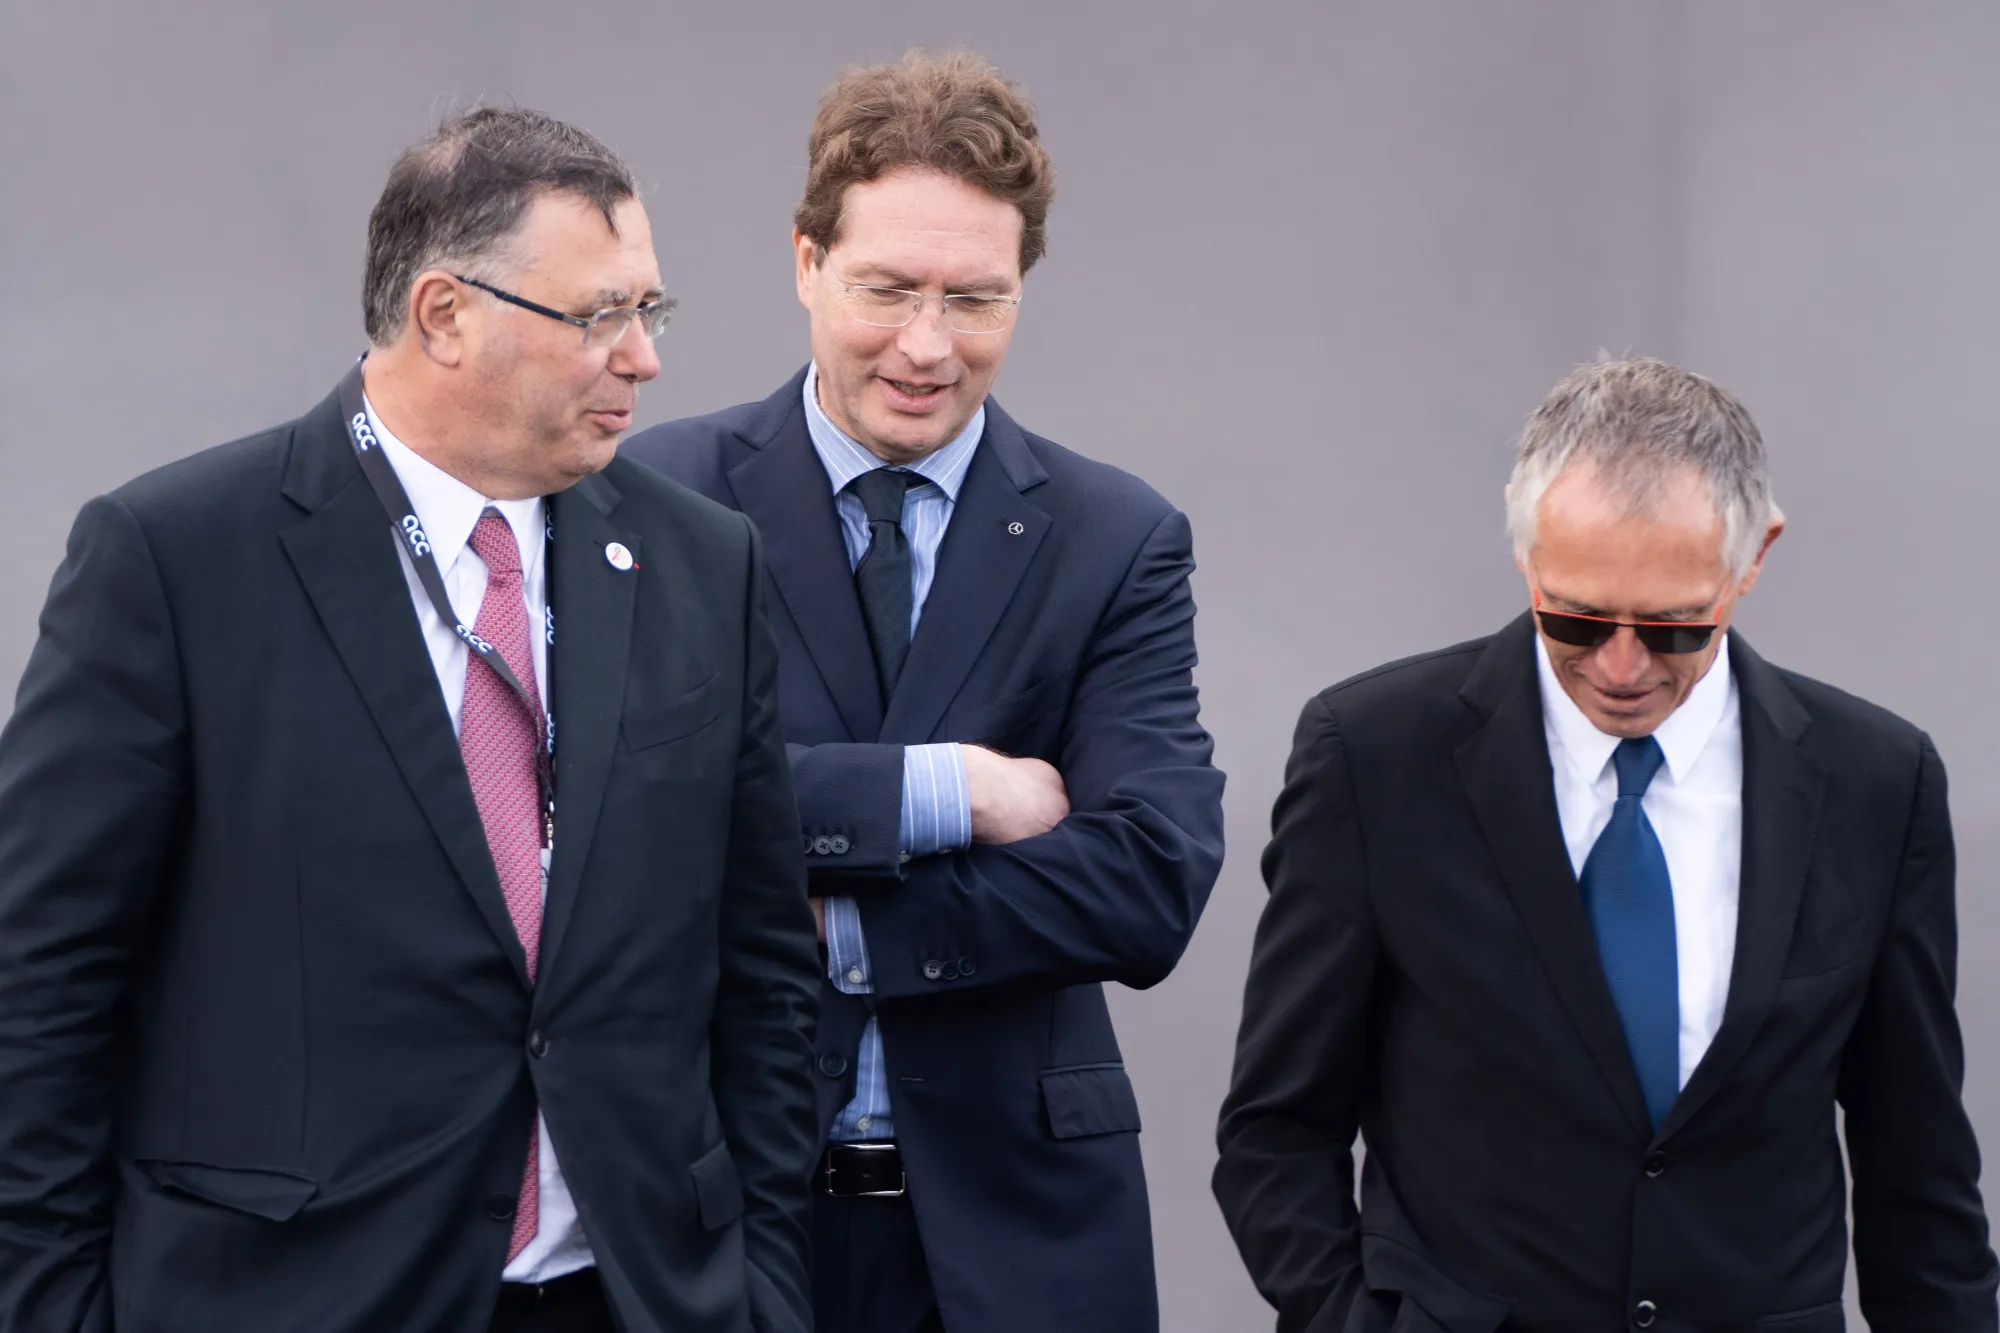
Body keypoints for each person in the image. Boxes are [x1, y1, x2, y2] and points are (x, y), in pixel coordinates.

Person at [0, 108, 821, 1333]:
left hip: (639, 1297)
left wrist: (764, 1293)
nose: (643, 358)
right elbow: (39, 989)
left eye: (652, 311)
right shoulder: (175, 562)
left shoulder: (704, 565)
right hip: (292, 1298)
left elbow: (762, 975)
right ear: (445, 314)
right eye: (600, 315)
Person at [624, 49, 1226, 1333]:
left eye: (975, 299)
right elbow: (616, 808)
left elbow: (1150, 879)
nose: (925, 345)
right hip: (720, 1225)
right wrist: (949, 788)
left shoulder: (1115, 536)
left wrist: (835, 923)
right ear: (803, 263)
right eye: (886, 288)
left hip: (1023, 1247)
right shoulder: (653, 500)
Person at [1215, 357, 1999, 1332]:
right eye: (1574, 616)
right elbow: (1274, 1131)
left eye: (1672, 626)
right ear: (1522, 541)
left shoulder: (1877, 780)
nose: (1619, 667)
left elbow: (1915, 1167)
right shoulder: (1372, 756)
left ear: (1753, 555)